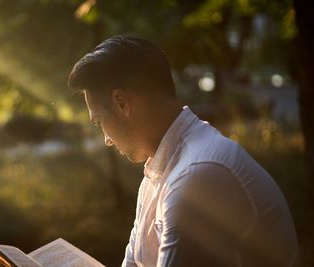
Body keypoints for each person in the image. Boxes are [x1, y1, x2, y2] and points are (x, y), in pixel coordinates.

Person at [68, 35, 298, 267]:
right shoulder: (157, 174)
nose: (106, 140)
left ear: (121, 103)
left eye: (99, 122)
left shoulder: (198, 174)